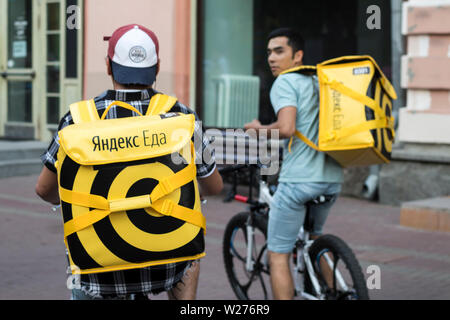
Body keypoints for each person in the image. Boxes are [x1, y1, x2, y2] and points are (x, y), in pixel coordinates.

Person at [35, 24, 223, 300]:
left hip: (97, 270)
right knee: (189, 241)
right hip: (166, 268)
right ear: (157, 68)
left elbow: (43, 189)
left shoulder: (77, 120)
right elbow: (214, 186)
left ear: (109, 67)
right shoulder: (181, 117)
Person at [244, 27, 343, 300]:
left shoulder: (286, 82)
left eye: (279, 51)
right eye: (269, 53)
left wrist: (258, 128)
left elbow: (286, 128)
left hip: (299, 180)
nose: (272, 59)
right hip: (332, 178)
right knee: (314, 242)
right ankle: (344, 292)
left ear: (297, 55)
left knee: (278, 255)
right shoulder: (317, 81)